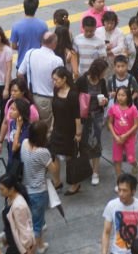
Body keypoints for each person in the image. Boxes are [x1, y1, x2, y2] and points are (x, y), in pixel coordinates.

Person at [17, 30, 62, 129]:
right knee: (46, 127)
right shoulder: (57, 60)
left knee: (33, 124)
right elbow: (61, 82)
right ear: (54, 44)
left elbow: (20, 74)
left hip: (30, 96)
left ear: (41, 42)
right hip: (46, 99)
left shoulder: (30, 53)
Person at [49, 67, 82, 195]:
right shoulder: (56, 90)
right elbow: (54, 111)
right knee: (53, 155)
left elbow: (77, 116)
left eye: (56, 79)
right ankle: (57, 181)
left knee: (70, 158)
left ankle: (75, 184)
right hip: (57, 128)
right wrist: (52, 126)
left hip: (69, 131)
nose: (54, 82)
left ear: (64, 79)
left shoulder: (73, 94)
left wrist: (78, 133)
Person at [76, 57, 109, 185]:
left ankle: (95, 172)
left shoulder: (102, 82)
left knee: (96, 143)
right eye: (103, 71)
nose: (104, 74)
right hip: (84, 117)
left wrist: (104, 101)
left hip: (97, 116)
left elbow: (105, 95)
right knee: (83, 144)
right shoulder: (82, 80)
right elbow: (75, 97)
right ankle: (86, 169)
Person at [101, 174, 138, 254]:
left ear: (133, 191)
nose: (121, 194)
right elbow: (106, 232)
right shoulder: (111, 205)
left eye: (125, 190)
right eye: (119, 190)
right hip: (116, 252)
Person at [20, 121, 51, 251]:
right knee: (37, 225)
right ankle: (33, 249)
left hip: (25, 189)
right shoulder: (43, 152)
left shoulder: (24, 143)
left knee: (30, 221)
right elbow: (54, 169)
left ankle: (41, 244)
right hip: (38, 191)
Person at [0, 170, 34, 254]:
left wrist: (27, 249)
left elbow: (24, 229)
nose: (0, 193)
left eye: (2, 189)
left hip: (18, 247)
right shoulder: (9, 198)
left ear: (12, 189)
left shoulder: (19, 206)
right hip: (13, 241)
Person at [107, 85, 138, 181]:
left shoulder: (133, 109)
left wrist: (126, 135)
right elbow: (109, 123)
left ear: (128, 97)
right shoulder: (113, 108)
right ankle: (119, 179)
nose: (120, 97)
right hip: (117, 138)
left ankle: (135, 164)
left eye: (123, 95)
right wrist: (115, 136)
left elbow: (136, 124)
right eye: (119, 95)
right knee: (117, 160)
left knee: (131, 159)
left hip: (129, 138)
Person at [11, 0, 48, 65]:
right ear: (36, 8)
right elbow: (45, 44)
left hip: (22, 62)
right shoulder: (43, 25)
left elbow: (14, 46)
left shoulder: (16, 26)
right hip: (38, 62)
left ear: (24, 7)